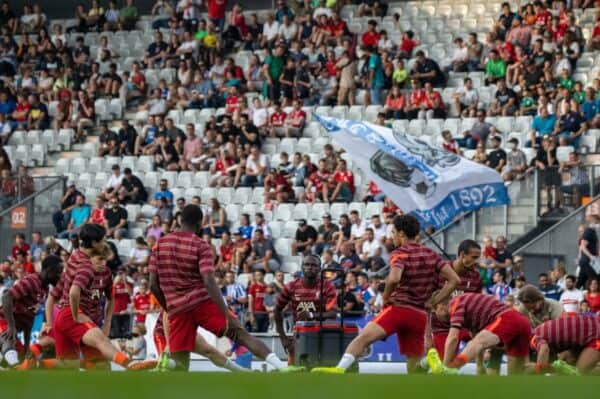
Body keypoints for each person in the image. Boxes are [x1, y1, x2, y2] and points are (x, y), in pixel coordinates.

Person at [149, 205, 301, 372]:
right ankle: (282, 367)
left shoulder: (159, 245)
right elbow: (209, 281)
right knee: (241, 334)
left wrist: (169, 306)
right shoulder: (201, 246)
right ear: (200, 223)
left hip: (177, 309)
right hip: (202, 303)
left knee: (180, 365)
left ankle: (170, 364)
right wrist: (226, 313)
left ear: (179, 220)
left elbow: (153, 285)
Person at [312, 215, 460, 374]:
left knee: (362, 339)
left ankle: (339, 369)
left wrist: (385, 297)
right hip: (419, 315)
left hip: (399, 310)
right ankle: (427, 362)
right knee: (414, 369)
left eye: (394, 232)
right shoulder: (432, 254)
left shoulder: (400, 253)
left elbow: (394, 278)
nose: (392, 236)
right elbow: (454, 280)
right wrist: (434, 301)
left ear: (402, 234)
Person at [49, 224, 154, 370]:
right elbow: (74, 292)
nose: (105, 241)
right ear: (93, 243)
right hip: (75, 315)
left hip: (68, 315)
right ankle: (130, 364)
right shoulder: (87, 266)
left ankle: (33, 365)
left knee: (70, 366)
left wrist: (107, 322)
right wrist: (76, 316)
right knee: (101, 343)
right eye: (102, 239)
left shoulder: (78, 255)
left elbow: (110, 297)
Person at [429, 293, 531, 375]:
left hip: (508, 318)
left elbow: (453, 338)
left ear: (440, 305)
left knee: (476, 342)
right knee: (515, 376)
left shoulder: (455, 304)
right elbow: (476, 339)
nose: (436, 316)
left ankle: (451, 368)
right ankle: (544, 367)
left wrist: (445, 366)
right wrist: (480, 367)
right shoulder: (470, 311)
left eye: (434, 312)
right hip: (523, 322)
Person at [0, 255, 62, 368]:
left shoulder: (45, 289)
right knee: (9, 339)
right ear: (49, 271)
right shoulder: (31, 281)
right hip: (2, 320)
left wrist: (27, 346)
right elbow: (6, 297)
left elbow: (29, 317)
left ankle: (7, 366)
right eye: (58, 272)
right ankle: (13, 368)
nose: (60, 276)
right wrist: (11, 326)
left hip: (14, 326)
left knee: (22, 356)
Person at [275, 254, 337, 362]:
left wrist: (311, 315)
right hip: (299, 335)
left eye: (313, 265)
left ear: (319, 268)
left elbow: (333, 313)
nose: (310, 267)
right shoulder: (291, 287)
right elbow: (277, 310)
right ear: (302, 267)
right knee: (296, 371)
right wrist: (283, 337)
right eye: (306, 264)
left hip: (321, 334)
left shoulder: (327, 286)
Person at [428, 240, 483, 361]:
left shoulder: (476, 277)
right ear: (462, 255)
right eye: (474, 257)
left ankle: (484, 372)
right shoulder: (439, 272)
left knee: (490, 342)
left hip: (465, 327)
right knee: (446, 365)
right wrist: (427, 336)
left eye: (478, 258)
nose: (476, 262)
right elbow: (426, 304)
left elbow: (477, 306)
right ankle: (425, 362)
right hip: (442, 327)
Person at [530, 315, 599, 375]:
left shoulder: (533, 338)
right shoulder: (538, 330)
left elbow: (544, 349)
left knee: (579, 372)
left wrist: (537, 369)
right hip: (591, 327)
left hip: (596, 333)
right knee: (565, 361)